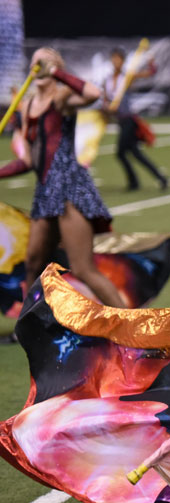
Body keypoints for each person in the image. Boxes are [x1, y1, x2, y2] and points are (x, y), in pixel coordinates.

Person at [0, 47, 127, 309]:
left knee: (82, 267)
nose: (40, 66)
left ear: (56, 67)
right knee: (33, 264)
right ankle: (31, 328)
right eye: (36, 62)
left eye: (46, 62)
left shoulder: (62, 98)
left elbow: (93, 94)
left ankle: (134, 329)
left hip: (70, 187)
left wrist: (57, 73)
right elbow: (29, 161)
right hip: (46, 190)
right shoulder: (27, 107)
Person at [103, 47, 168, 191]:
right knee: (135, 153)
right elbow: (106, 100)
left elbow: (151, 73)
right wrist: (107, 109)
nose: (115, 61)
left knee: (120, 153)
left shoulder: (127, 77)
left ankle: (134, 182)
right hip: (120, 120)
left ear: (123, 60)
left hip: (129, 120)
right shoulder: (107, 80)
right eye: (113, 58)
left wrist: (151, 62)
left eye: (118, 58)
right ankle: (160, 178)